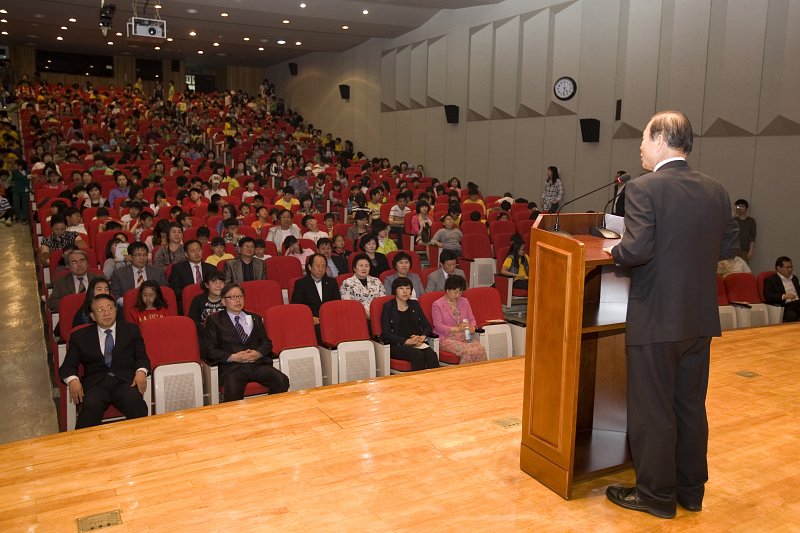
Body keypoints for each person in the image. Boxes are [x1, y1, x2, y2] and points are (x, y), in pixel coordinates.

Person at [604, 111, 739, 519]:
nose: (640, 148)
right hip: (699, 319)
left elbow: (638, 249)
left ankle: (655, 496)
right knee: (689, 407)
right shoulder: (716, 190)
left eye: (643, 139)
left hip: (656, 319)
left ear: (661, 140)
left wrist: (615, 250)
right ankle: (691, 490)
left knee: (653, 410)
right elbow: (727, 248)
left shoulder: (643, 189)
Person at [59, 294, 150, 429]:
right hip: (96, 384)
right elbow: (67, 367)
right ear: (93, 316)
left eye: (110, 308)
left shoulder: (131, 330)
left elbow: (142, 357)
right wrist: (73, 380)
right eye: (101, 310)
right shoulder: (80, 336)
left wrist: (141, 372)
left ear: (116, 310)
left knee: (135, 402)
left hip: (125, 382)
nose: (107, 313)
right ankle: (84, 446)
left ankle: (143, 442)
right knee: (91, 406)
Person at [201, 283, 290, 402]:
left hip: (257, 364)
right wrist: (232, 357)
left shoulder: (254, 317)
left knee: (282, 380)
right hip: (233, 367)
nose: (237, 300)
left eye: (240, 296)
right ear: (223, 301)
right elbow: (209, 350)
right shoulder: (214, 320)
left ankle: (266, 409)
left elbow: (267, 343)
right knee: (233, 388)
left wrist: (258, 353)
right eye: (232, 297)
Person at [380, 277, 439, 371]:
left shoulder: (414, 304)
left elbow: (427, 326)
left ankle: (435, 384)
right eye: (401, 288)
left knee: (432, 354)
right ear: (395, 291)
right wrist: (407, 341)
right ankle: (417, 384)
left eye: (408, 288)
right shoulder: (388, 307)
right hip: (397, 345)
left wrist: (422, 337)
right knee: (417, 355)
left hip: (416, 342)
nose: (405, 291)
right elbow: (386, 334)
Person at [431, 274, 487, 364]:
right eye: (455, 292)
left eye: (460, 293)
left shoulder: (464, 301)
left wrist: (472, 327)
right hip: (446, 338)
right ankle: (464, 375)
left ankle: (478, 375)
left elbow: (472, 319)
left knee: (481, 349)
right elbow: (438, 325)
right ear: (447, 290)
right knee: (468, 351)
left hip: (464, 336)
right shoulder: (437, 304)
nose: (457, 295)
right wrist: (457, 329)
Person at [291, 253, 342, 342]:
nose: (321, 269)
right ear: (310, 267)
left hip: (329, 317)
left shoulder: (332, 282)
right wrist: (309, 317)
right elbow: (296, 306)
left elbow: (337, 303)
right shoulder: (301, 284)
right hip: (312, 319)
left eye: (323, 266)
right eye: (317, 266)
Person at [169, 240, 217, 312]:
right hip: (187, 302)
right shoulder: (178, 268)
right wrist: (191, 294)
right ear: (186, 254)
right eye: (193, 251)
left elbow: (216, 287)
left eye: (199, 250)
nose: (197, 254)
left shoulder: (211, 268)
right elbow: (174, 289)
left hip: (209, 302)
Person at [340, 253, 386, 319]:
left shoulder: (376, 281)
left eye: (367, 266)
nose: (364, 268)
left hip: (379, 315)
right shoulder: (347, 283)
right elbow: (349, 304)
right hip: (358, 317)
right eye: (361, 266)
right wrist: (367, 315)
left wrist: (376, 314)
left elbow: (383, 300)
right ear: (354, 268)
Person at [763, 256, 800, 322]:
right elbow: (768, 296)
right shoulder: (770, 280)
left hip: (798, 303)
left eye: (791, 267)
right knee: (792, 316)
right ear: (779, 268)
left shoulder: (794, 278)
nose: (790, 269)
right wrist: (784, 296)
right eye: (787, 267)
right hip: (785, 306)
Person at [733, 199, 756, 264]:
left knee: (743, 270)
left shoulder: (751, 221)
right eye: (738, 207)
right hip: (733, 250)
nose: (739, 208)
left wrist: (751, 250)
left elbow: (752, 237)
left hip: (744, 250)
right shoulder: (733, 220)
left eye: (741, 207)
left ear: (746, 208)